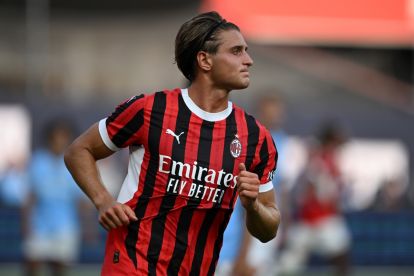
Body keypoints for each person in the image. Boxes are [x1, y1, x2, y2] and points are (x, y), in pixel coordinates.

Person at [64, 11, 281, 276]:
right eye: (236, 51)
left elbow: (269, 229)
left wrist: (253, 207)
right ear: (204, 60)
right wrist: (103, 200)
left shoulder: (256, 138)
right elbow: (79, 151)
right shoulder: (150, 110)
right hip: (133, 263)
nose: (249, 60)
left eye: (246, 51)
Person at [216, 94, 288, 276]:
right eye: (269, 111)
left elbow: (281, 189)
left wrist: (285, 222)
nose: (273, 116)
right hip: (243, 223)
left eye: (276, 112)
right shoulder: (247, 142)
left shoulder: (282, 143)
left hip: (261, 215)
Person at [277, 123, 351, 276]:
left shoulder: (327, 160)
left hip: (321, 219)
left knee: (341, 255)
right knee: (287, 265)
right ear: (330, 141)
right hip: (311, 221)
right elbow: (311, 193)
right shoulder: (319, 160)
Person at [22, 119, 85, 276]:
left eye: (64, 137)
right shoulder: (37, 161)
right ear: (50, 138)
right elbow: (30, 197)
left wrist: (87, 225)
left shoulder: (75, 163)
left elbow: (79, 200)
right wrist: (26, 223)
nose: (61, 141)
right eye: (57, 136)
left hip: (65, 227)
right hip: (39, 226)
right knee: (32, 265)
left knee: (59, 268)